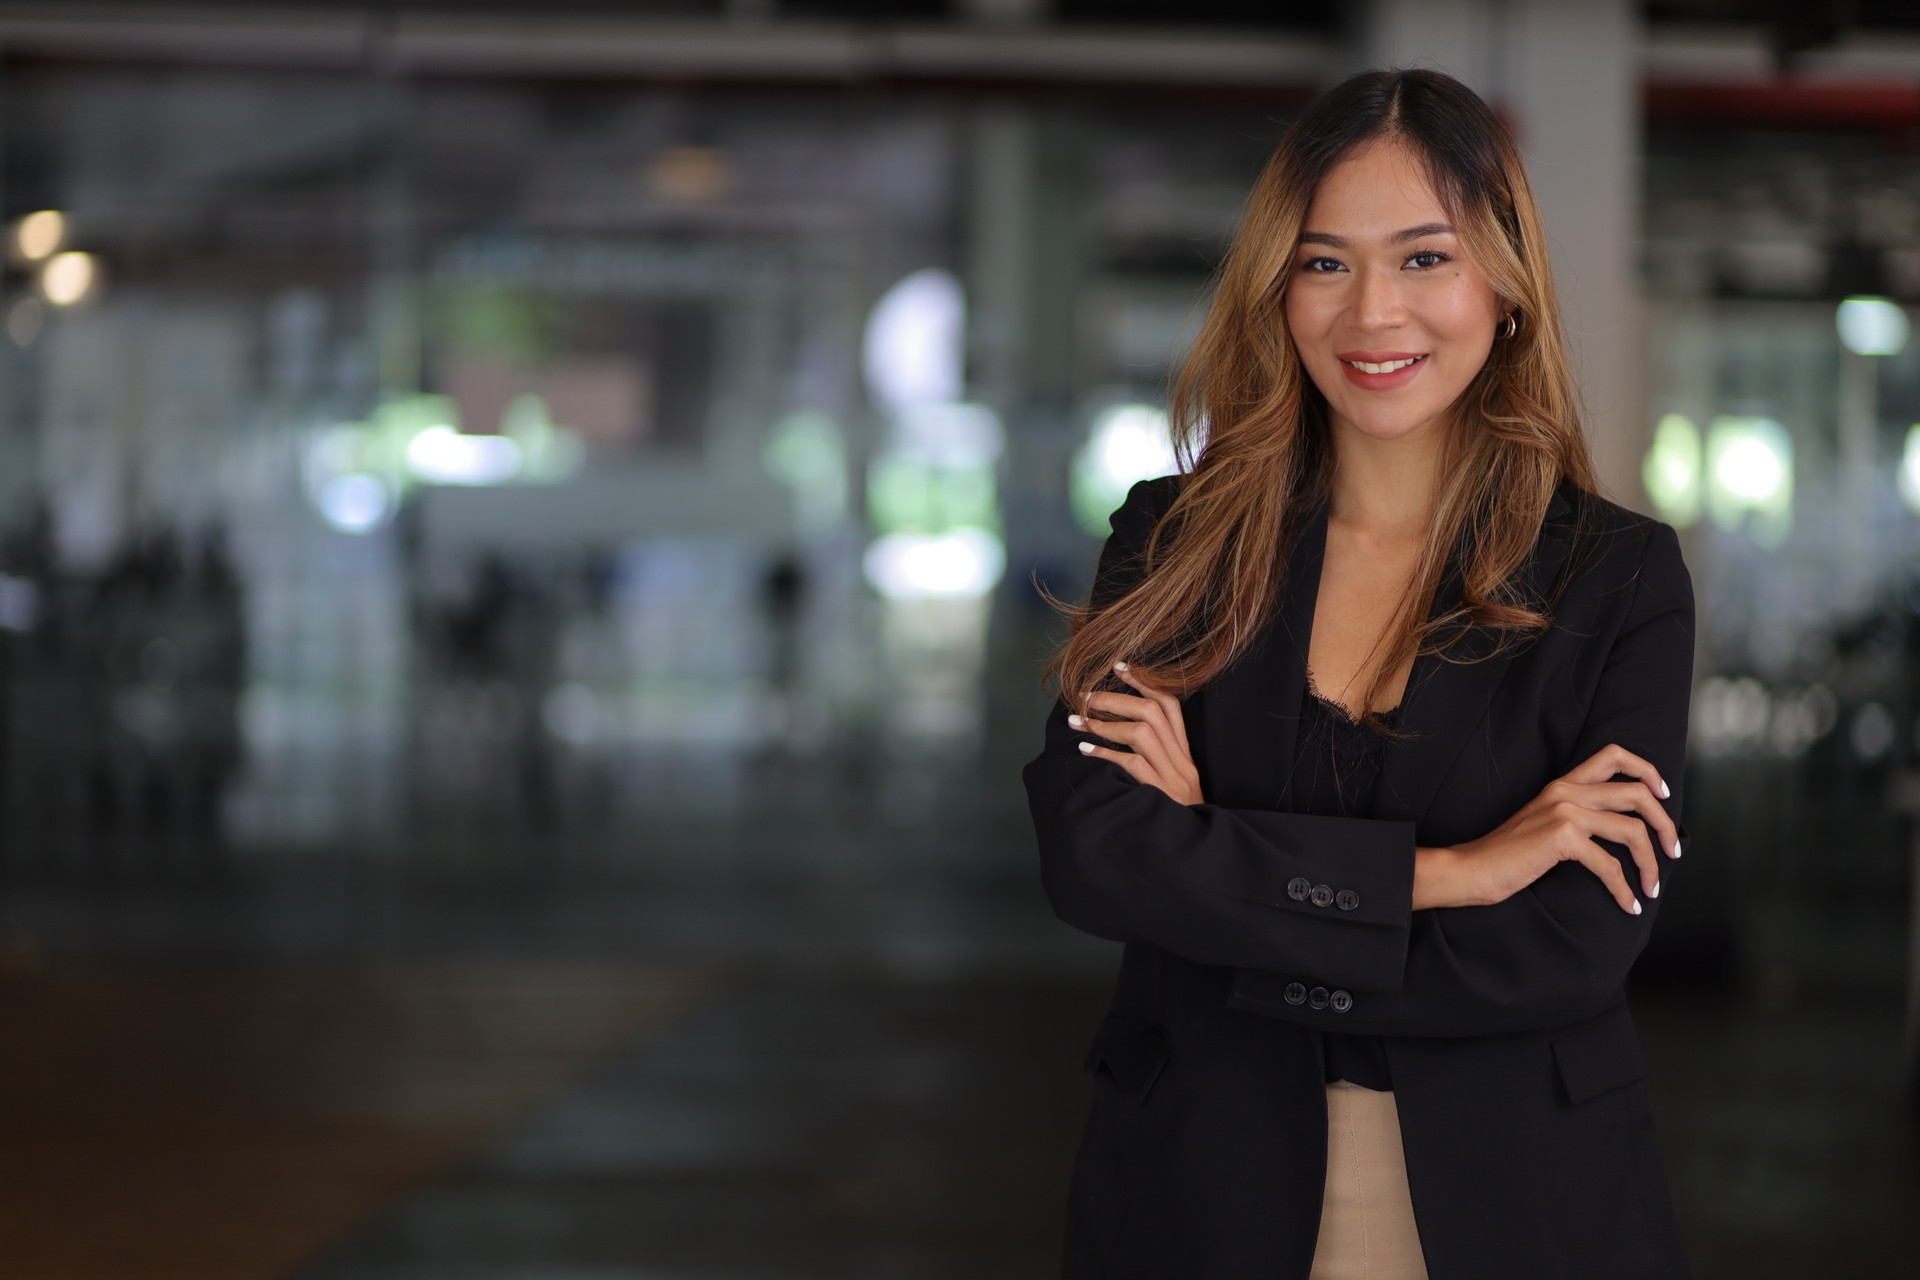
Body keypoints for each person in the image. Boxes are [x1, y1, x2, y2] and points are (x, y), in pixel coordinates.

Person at [1023, 68, 1694, 1280]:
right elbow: (1094, 848)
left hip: (1519, 1202)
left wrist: (1220, 867)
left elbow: (1572, 941)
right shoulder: (1175, 542)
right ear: (1278, 289)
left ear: (1506, 288)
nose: (1373, 312)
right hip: (1201, 1186)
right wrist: (1457, 872)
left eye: (1426, 258)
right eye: (1326, 262)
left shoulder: (1618, 580)